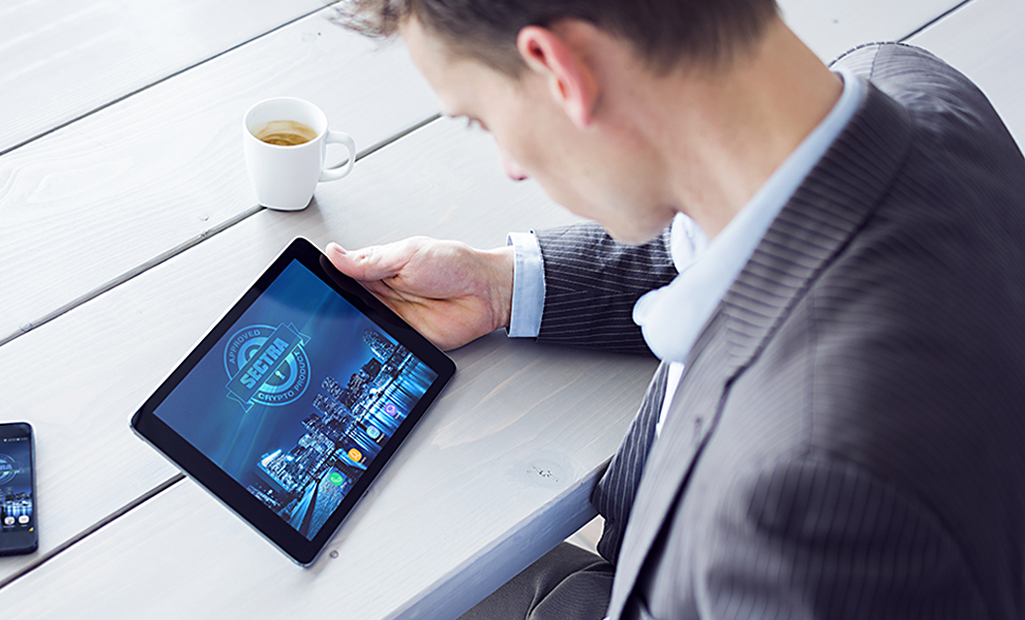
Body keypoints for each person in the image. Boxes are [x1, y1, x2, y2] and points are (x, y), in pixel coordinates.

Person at [330, 1, 1025, 618]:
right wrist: (501, 285)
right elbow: (736, 239)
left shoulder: (811, 503)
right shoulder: (901, 85)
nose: (510, 164)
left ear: (560, 71)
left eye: (480, 119)